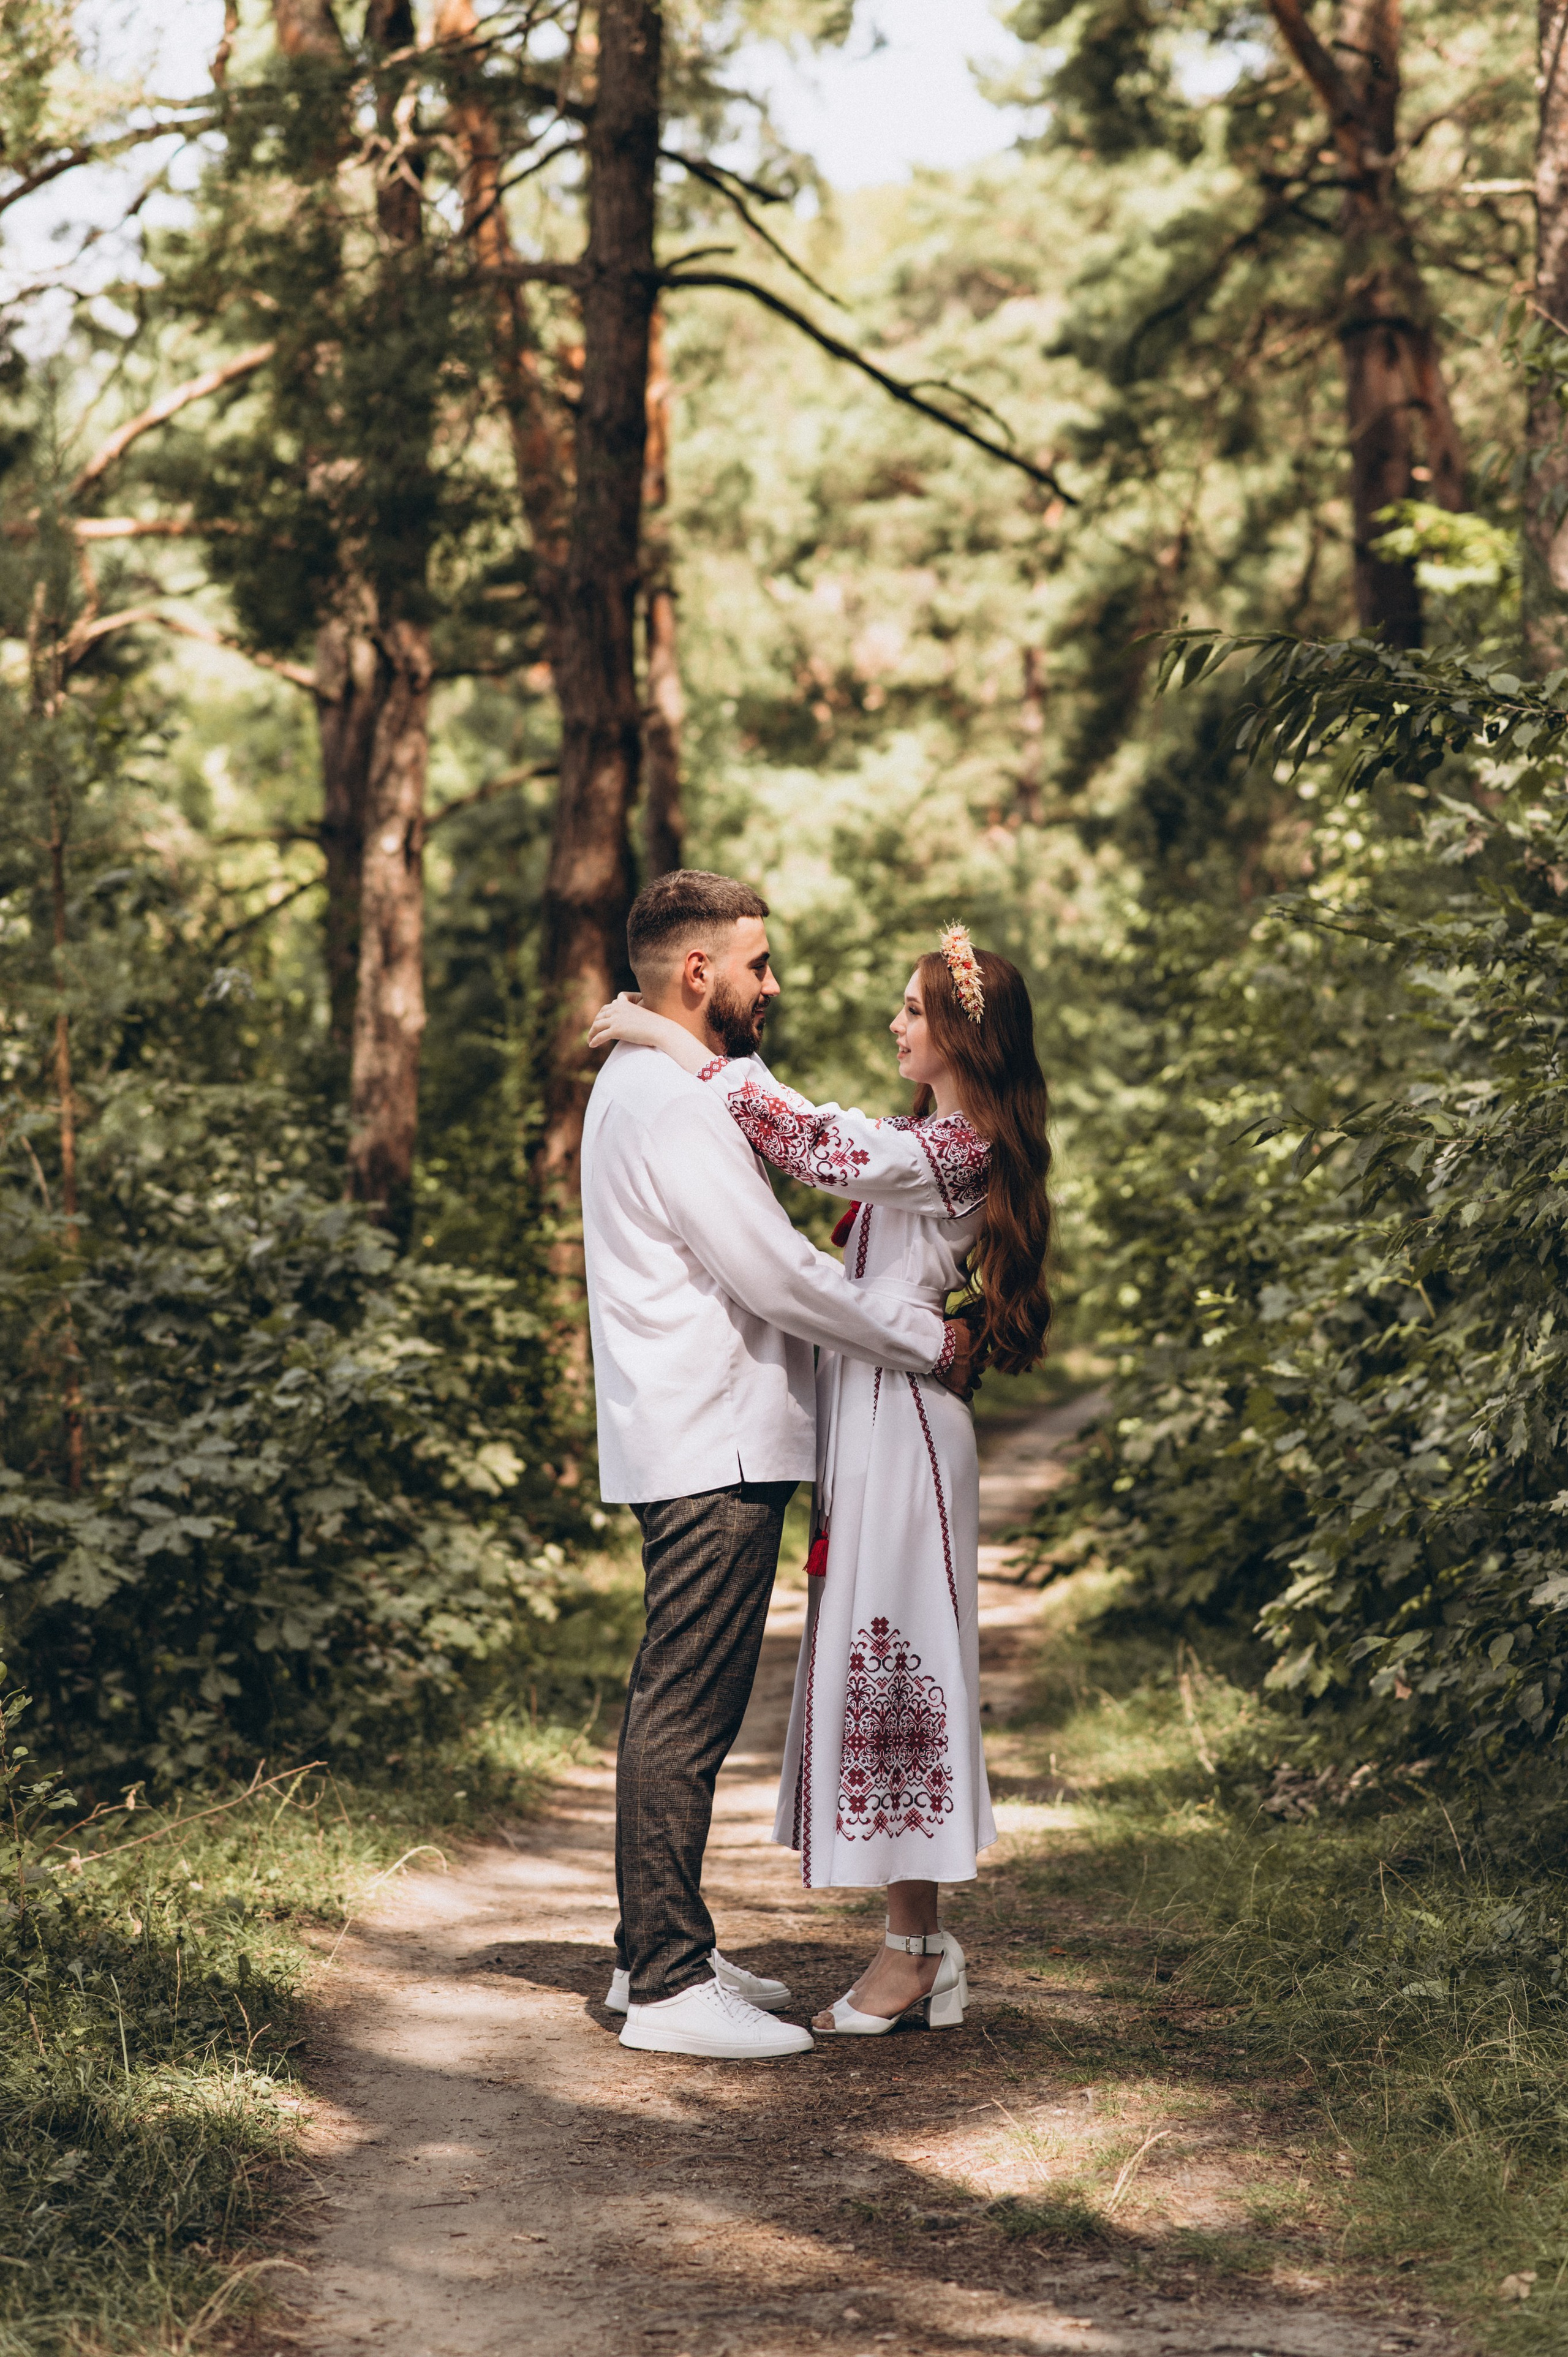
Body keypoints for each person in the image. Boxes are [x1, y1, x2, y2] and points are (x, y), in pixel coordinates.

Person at [591, 924, 1052, 2035]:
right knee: (877, 1656)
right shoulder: (926, 1136)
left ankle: (915, 1945)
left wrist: (661, 1030)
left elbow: (807, 1140)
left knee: (908, 1666)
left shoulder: (963, 1148)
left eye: (912, 1011)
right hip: (873, 1418)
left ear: (960, 1037)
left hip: (907, 1425)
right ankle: (908, 1944)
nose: (894, 1024)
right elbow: (830, 1141)